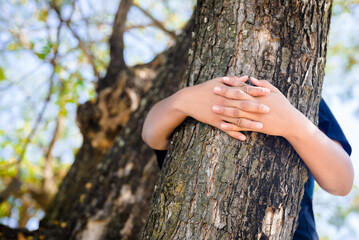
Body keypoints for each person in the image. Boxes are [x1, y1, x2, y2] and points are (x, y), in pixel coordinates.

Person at [141, 75, 353, 239]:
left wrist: (293, 123)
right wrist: (182, 100)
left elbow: (342, 181)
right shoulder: (197, 83)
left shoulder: (306, 90)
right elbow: (151, 135)